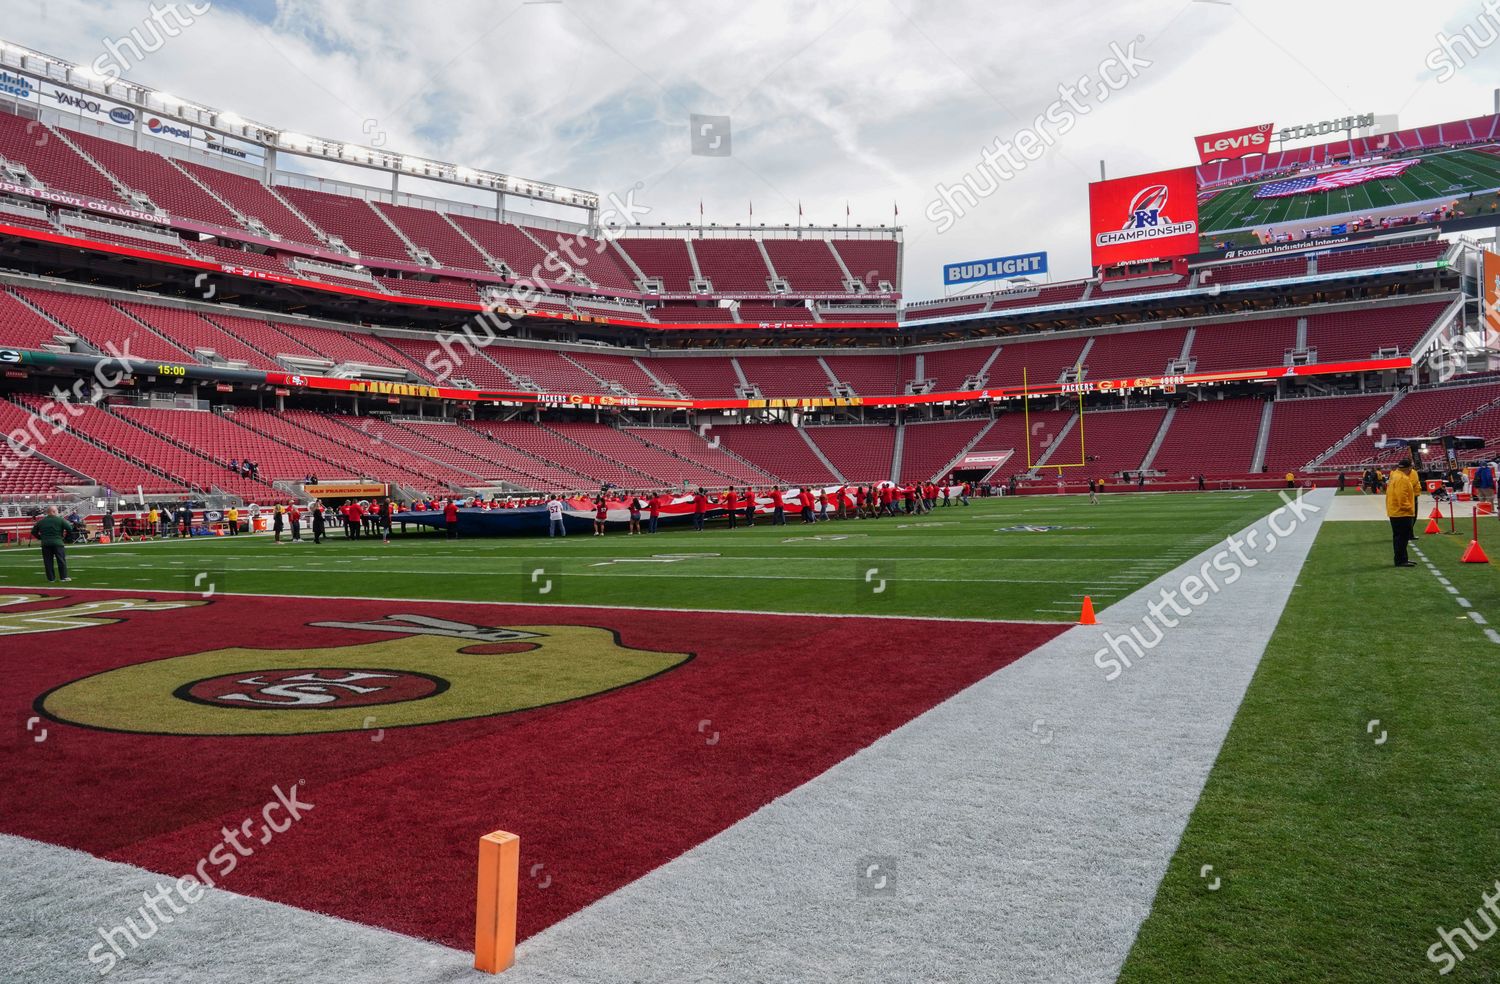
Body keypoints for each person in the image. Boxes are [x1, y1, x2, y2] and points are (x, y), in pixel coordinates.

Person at [31, 506, 83, 582]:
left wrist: (41, 538)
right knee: (61, 560)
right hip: (58, 542)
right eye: (57, 511)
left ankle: (51, 578)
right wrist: (65, 538)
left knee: (48, 561)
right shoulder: (60, 520)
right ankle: (63, 577)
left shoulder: (41, 521)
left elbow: (33, 532)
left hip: (45, 544)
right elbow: (69, 528)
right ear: (54, 511)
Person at [1386, 458, 1421, 568]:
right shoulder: (1402, 478)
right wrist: (1409, 508)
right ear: (1409, 468)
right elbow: (1402, 497)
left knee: (1399, 538)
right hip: (1401, 512)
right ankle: (1400, 560)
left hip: (1395, 511)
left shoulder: (1395, 475)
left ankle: (1402, 558)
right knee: (1402, 538)